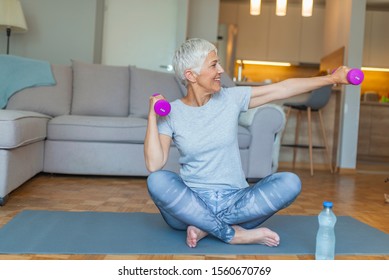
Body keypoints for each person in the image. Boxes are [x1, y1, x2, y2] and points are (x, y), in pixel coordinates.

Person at [144, 38, 351, 248]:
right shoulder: (173, 113)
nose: (221, 70)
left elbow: (282, 89)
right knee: (157, 181)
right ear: (191, 75)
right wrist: (152, 116)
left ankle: (205, 226)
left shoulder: (230, 98)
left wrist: (331, 78)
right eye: (214, 64)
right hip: (190, 205)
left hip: (236, 200)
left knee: (290, 182)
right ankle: (231, 233)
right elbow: (154, 164)